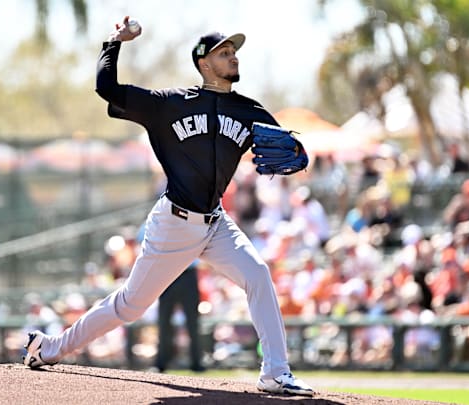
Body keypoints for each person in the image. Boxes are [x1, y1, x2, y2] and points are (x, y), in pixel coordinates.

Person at [23, 17, 314, 397]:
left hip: (216, 224)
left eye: (235, 52)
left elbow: (285, 148)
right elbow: (105, 86)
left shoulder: (250, 111)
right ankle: (48, 348)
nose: (234, 58)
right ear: (204, 62)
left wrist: (297, 153)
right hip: (173, 223)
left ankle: (276, 373)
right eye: (224, 52)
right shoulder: (170, 104)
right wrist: (115, 41)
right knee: (130, 306)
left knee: (258, 275)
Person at [155, 261, 204, 373]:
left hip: (188, 273)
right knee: (164, 321)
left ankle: (197, 363)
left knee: (193, 322)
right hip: (167, 272)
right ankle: (161, 363)